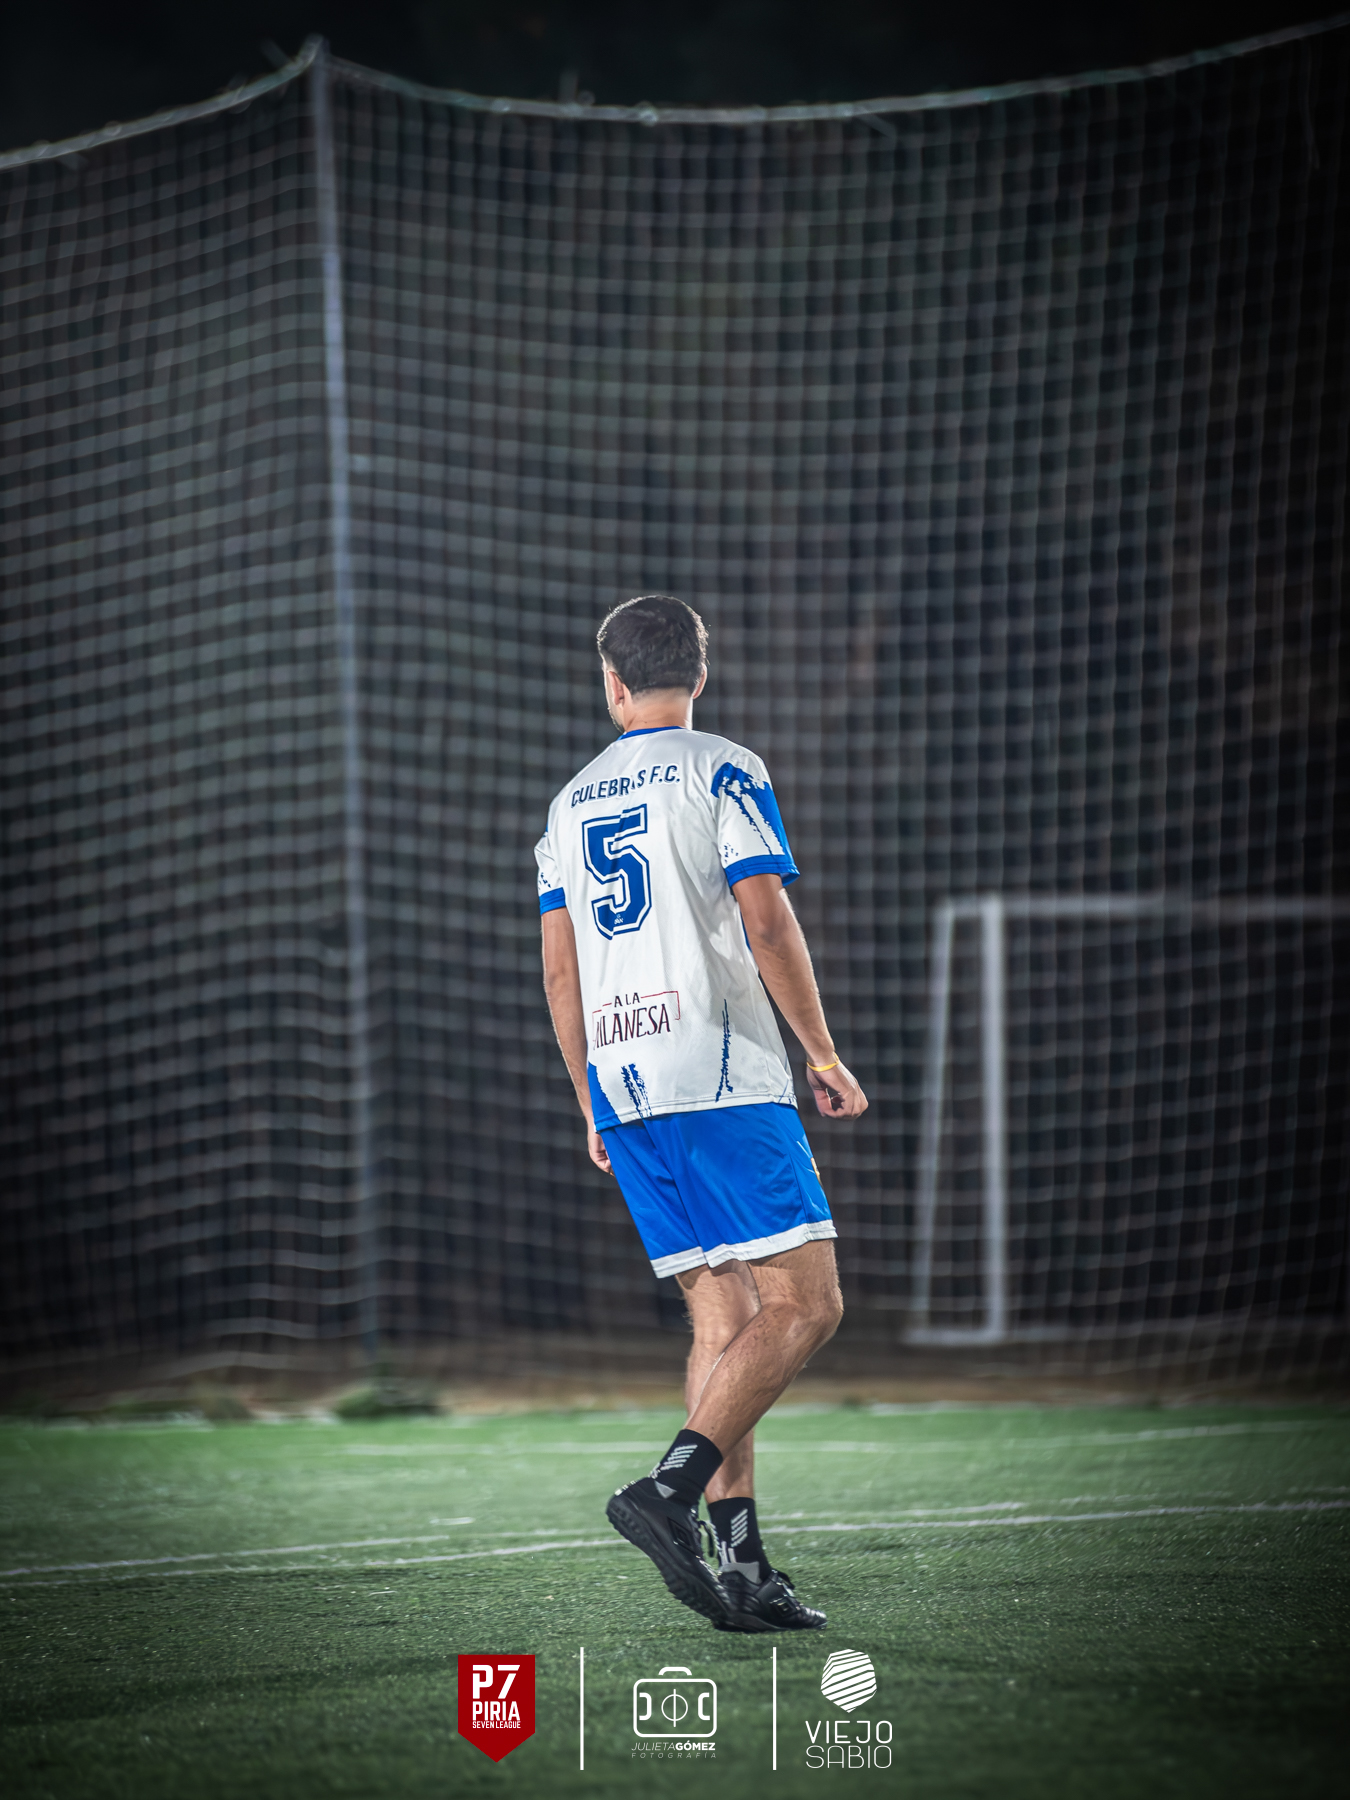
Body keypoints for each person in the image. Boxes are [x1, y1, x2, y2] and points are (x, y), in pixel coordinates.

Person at [535, 594, 867, 1633]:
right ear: (701, 674)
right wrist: (821, 1052)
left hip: (624, 1081)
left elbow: (560, 973)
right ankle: (667, 1492)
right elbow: (767, 920)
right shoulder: (723, 767)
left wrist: (589, 1096)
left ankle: (745, 1569)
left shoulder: (566, 808)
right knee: (809, 1306)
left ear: (613, 683)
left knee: (724, 1320)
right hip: (718, 1071)